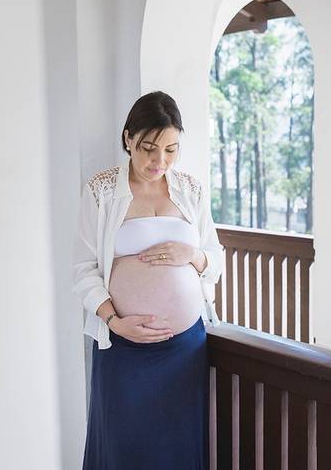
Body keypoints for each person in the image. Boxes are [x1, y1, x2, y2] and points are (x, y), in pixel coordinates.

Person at [72, 91, 224, 469]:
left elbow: (215, 259)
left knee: (176, 448)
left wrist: (193, 255)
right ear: (128, 139)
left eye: (171, 150)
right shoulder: (102, 191)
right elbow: (83, 269)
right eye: (149, 148)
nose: (160, 161)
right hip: (123, 346)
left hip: (184, 349)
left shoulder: (190, 190)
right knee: (124, 446)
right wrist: (114, 321)